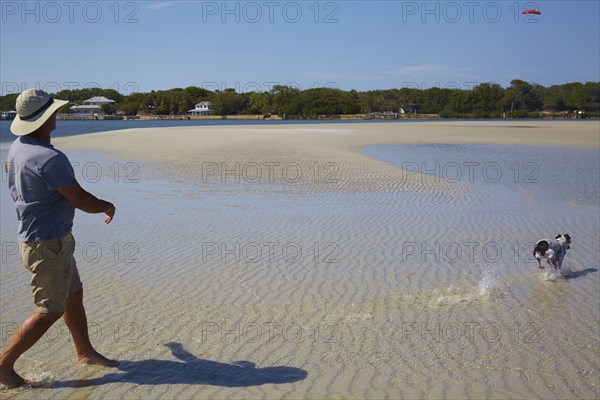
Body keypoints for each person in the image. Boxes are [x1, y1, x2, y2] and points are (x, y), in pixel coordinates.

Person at [0, 89, 119, 389]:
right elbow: (79, 198)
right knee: (50, 309)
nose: (56, 115)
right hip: (47, 244)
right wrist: (106, 205)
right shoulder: (50, 157)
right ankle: (3, 366)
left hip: (46, 240)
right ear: (45, 118)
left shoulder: (18, 146)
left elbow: (10, 171)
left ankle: (85, 353)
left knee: (73, 295)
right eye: (52, 111)